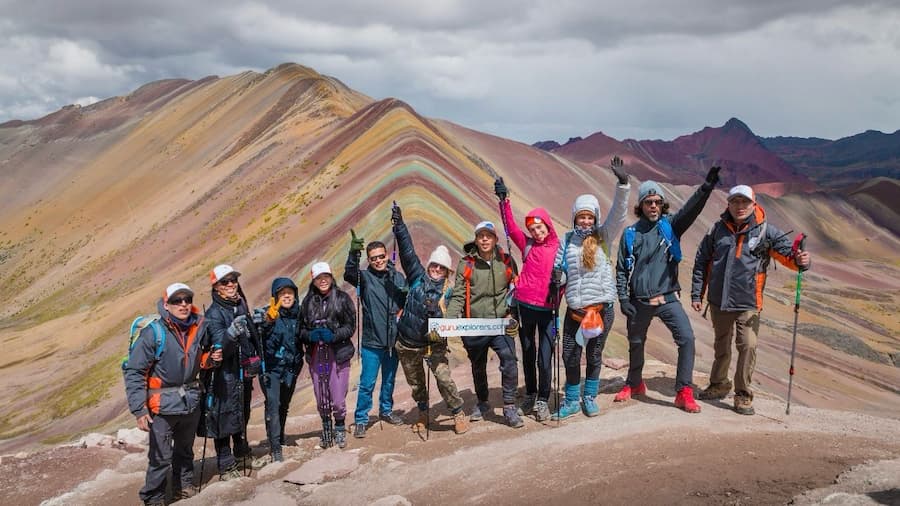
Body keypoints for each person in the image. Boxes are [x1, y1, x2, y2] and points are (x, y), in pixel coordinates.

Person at [691, 184, 811, 415]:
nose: (739, 206)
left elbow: (790, 257)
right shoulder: (717, 229)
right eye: (735, 201)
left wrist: (801, 261)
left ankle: (743, 394)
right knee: (721, 345)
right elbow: (702, 261)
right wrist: (698, 293)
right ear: (728, 204)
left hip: (748, 303)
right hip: (719, 301)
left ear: (753, 204)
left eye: (744, 202)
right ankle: (719, 384)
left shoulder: (766, 231)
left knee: (748, 345)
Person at [614, 167, 721, 413]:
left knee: (687, 339)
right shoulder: (630, 234)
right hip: (639, 300)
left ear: (663, 205)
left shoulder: (671, 226)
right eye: (648, 202)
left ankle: (684, 392)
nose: (653, 206)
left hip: (668, 298)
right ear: (640, 205)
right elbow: (620, 269)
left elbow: (691, 210)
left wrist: (706, 187)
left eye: (658, 202)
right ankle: (635, 383)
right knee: (636, 342)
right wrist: (623, 299)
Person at [123, 282, 219, 506]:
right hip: (162, 405)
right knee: (160, 457)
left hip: (190, 401)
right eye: (177, 301)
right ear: (166, 305)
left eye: (187, 300)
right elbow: (135, 372)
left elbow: (198, 361)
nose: (183, 304)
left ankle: (183, 487)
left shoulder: (199, 327)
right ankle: (153, 497)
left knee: (185, 450)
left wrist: (210, 360)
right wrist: (139, 409)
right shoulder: (153, 333)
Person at [551, 157, 630, 420]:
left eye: (589, 217)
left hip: (600, 309)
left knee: (594, 354)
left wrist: (623, 183)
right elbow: (560, 269)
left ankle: (590, 397)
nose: (585, 221)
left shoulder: (603, 236)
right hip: (575, 310)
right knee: (570, 355)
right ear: (574, 217)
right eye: (581, 217)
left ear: (594, 218)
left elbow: (618, 214)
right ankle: (572, 399)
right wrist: (557, 276)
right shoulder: (566, 240)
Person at [391, 203, 470, 435]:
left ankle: (457, 412)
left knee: (444, 379)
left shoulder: (450, 290)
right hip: (407, 343)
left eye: (441, 267)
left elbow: (453, 316)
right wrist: (399, 225)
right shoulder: (417, 277)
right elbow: (407, 251)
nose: (436, 269)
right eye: (434, 265)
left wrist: (437, 314)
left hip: (434, 344)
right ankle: (423, 411)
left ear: (447, 271)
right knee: (415, 383)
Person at [492, 175, 562, 421]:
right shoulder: (527, 245)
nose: (536, 232)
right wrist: (504, 200)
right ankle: (531, 393)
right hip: (524, 308)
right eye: (532, 229)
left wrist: (560, 284)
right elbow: (510, 228)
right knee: (528, 354)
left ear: (548, 225)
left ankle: (543, 398)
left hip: (548, 311)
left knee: (545, 358)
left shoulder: (559, 248)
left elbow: (567, 277)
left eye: (539, 227)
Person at [445, 220, 523, 428]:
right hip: (474, 325)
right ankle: (482, 402)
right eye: (481, 236)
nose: (485, 239)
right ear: (476, 240)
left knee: (509, 360)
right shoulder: (467, 264)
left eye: (489, 235)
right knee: (478, 366)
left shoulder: (506, 261)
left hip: (500, 322)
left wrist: (513, 316)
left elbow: (515, 291)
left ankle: (509, 405)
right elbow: (459, 296)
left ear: (496, 239)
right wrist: (447, 324)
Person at [344, 230, 407, 438]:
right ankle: (361, 419)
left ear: (387, 255)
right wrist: (354, 254)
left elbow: (406, 302)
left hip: (393, 339)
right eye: (374, 258)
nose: (378, 260)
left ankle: (386, 410)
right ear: (368, 260)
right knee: (367, 383)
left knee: (389, 380)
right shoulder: (364, 278)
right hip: (372, 341)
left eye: (381, 256)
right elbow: (349, 273)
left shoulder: (397, 277)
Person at [201, 264, 261, 480]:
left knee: (241, 413)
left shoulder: (239, 305)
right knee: (223, 418)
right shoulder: (214, 314)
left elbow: (249, 336)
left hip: (241, 373)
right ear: (216, 287)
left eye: (233, 280)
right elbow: (218, 345)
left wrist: (258, 326)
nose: (231, 284)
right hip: (223, 375)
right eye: (225, 281)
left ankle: (242, 453)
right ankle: (226, 466)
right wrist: (229, 334)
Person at [300, 261, 357, 449]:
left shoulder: (342, 299)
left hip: (338, 354)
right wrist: (310, 335)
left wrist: (334, 335)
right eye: (318, 278)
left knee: (339, 399)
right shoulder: (307, 302)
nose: (323, 280)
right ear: (313, 280)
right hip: (317, 355)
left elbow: (350, 326)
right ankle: (326, 430)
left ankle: (339, 427)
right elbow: (301, 330)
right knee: (322, 397)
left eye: (325, 276)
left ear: (331, 277)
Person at [255, 277, 303, 464]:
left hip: (291, 367)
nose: (287, 296)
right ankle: (275, 447)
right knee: (273, 406)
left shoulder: (299, 314)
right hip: (271, 369)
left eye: (289, 293)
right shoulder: (269, 315)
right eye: (282, 293)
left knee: (284, 404)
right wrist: (268, 321)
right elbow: (260, 335)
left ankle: (280, 437)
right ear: (275, 296)